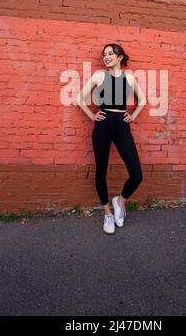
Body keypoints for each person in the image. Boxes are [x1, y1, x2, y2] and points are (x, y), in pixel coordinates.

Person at [76, 43, 147, 234]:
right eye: (104, 54)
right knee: (101, 171)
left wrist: (133, 115)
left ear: (120, 57)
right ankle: (107, 212)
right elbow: (79, 98)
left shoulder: (129, 77)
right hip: (103, 125)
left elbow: (143, 100)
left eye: (110, 54)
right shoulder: (100, 76)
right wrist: (92, 116)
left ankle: (120, 201)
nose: (106, 57)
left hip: (122, 126)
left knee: (136, 174)